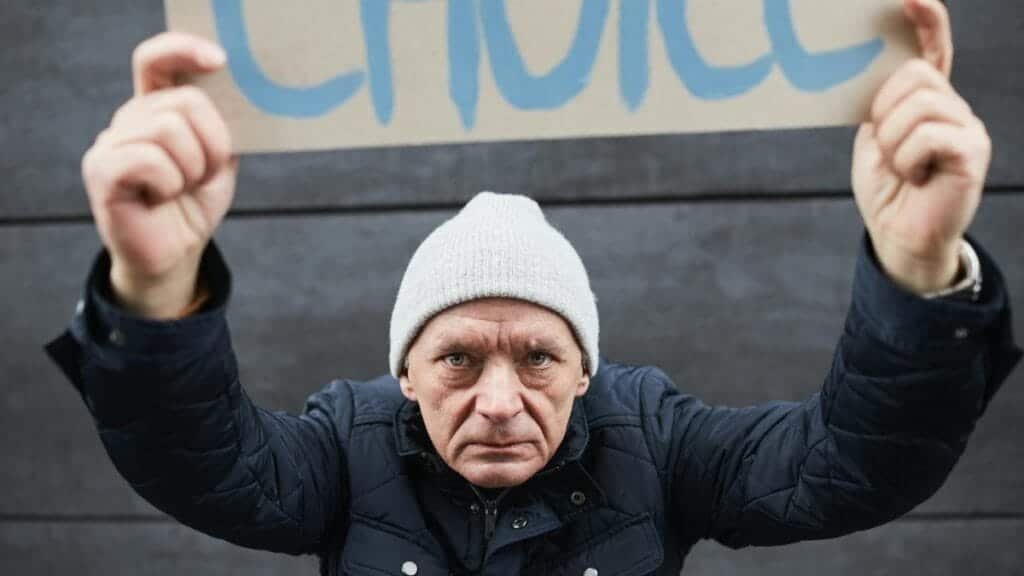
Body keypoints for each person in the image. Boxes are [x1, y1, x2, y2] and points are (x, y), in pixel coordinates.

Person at [46, 0, 1021, 574]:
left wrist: (918, 268)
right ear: (407, 376)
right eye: (458, 358)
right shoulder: (343, 444)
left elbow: (853, 462)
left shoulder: (663, 442)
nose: (502, 401)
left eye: (540, 357)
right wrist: (154, 282)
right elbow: (197, 460)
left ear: (588, 371)